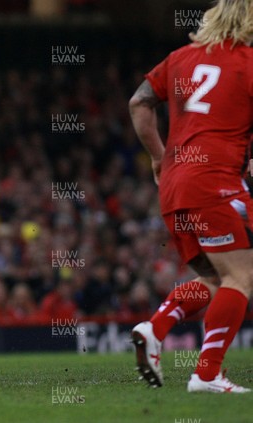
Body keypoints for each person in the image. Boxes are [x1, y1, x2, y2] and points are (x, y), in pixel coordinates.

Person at [129, 0, 253, 393]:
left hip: (175, 185)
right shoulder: (248, 61)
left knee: (216, 279)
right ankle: (207, 374)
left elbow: (139, 102)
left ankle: (155, 327)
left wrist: (157, 156)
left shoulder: (181, 57)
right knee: (243, 276)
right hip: (215, 182)